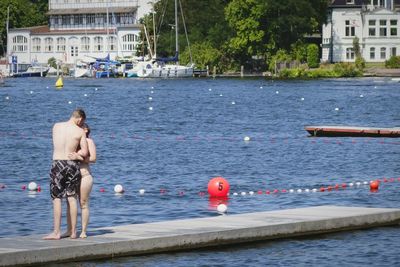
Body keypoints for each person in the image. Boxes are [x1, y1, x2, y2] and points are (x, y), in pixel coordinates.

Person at [43, 109, 88, 240]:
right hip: (72, 164)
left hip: (58, 164)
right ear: (80, 119)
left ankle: (57, 232)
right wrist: (77, 154)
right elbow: (84, 152)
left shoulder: (56, 126)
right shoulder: (80, 131)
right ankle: (73, 232)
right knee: (72, 197)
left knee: (57, 198)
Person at [67, 123, 96, 238]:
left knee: (83, 203)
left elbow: (93, 159)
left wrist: (80, 158)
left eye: (82, 128)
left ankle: (83, 231)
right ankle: (70, 230)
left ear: (87, 130)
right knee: (70, 204)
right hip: (71, 176)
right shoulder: (73, 142)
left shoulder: (89, 142)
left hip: (85, 176)